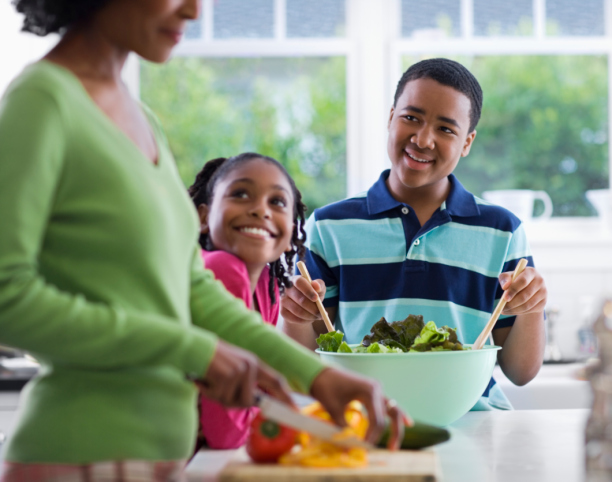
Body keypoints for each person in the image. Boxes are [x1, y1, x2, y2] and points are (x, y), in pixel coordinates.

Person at [0, 1, 404, 479]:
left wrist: (321, 376)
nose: (193, 10)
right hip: (80, 455)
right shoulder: (40, 102)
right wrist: (195, 351)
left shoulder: (139, 116)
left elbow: (192, 288)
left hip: (162, 457)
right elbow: (8, 298)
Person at [281, 58, 547, 410]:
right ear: (391, 118)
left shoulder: (502, 231)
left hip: (475, 420)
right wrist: (295, 317)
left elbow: (520, 372)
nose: (423, 139)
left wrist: (531, 308)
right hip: (364, 422)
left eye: (446, 129)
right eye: (411, 118)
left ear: (467, 142)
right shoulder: (328, 227)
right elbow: (306, 365)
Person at [187, 153, 310, 449]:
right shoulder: (220, 268)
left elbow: (253, 396)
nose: (260, 210)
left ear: (292, 230)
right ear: (204, 217)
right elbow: (227, 431)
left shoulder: (267, 285)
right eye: (240, 194)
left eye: (277, 202)